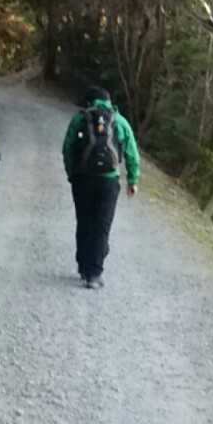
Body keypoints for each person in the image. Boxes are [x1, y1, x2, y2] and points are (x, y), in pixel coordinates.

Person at [62, 87, 140, 288]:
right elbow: (131, 153)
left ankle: (83, 267)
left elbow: (67, 149)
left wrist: (72, 174)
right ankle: (94, 274)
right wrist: (132, 180)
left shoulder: (79, 119)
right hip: (109, 182)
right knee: (102, 226)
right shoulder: (120, 121)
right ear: (109, 101)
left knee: (84, 222)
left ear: (90, 102)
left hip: (82, 180)